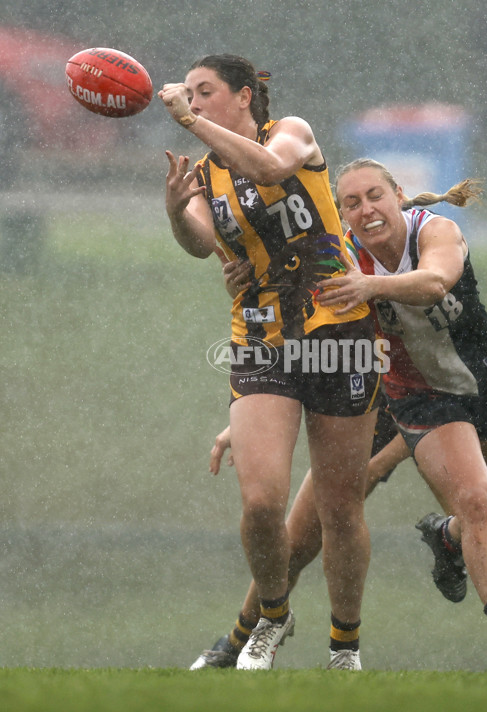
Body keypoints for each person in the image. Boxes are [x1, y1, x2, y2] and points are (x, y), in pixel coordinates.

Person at [189, 168, 487, 673]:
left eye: (375, 196)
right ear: (341, 214)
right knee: (312, 521)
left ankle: (450, 540)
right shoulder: (339, 256)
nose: (366, 210)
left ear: (398, 196)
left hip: (482, 384)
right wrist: (256, 410)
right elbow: (301, 333)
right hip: (395, 395)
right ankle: (241, 637)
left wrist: (370, 285)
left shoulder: (433, 231)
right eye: (351, 203)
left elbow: (435, 282)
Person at [159, 55, 382, 671]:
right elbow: (202, 243)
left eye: (206, 93)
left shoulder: (291, 132)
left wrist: (190, 123)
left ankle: (345, 646)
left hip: (338, 333)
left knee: (340, 506)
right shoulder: (206, 172)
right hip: (261, 340)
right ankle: (275, 616)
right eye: (191, 95)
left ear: (243, 97)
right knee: (261, 503)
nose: (195, 103)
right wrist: (177, 210)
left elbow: (271, 168)